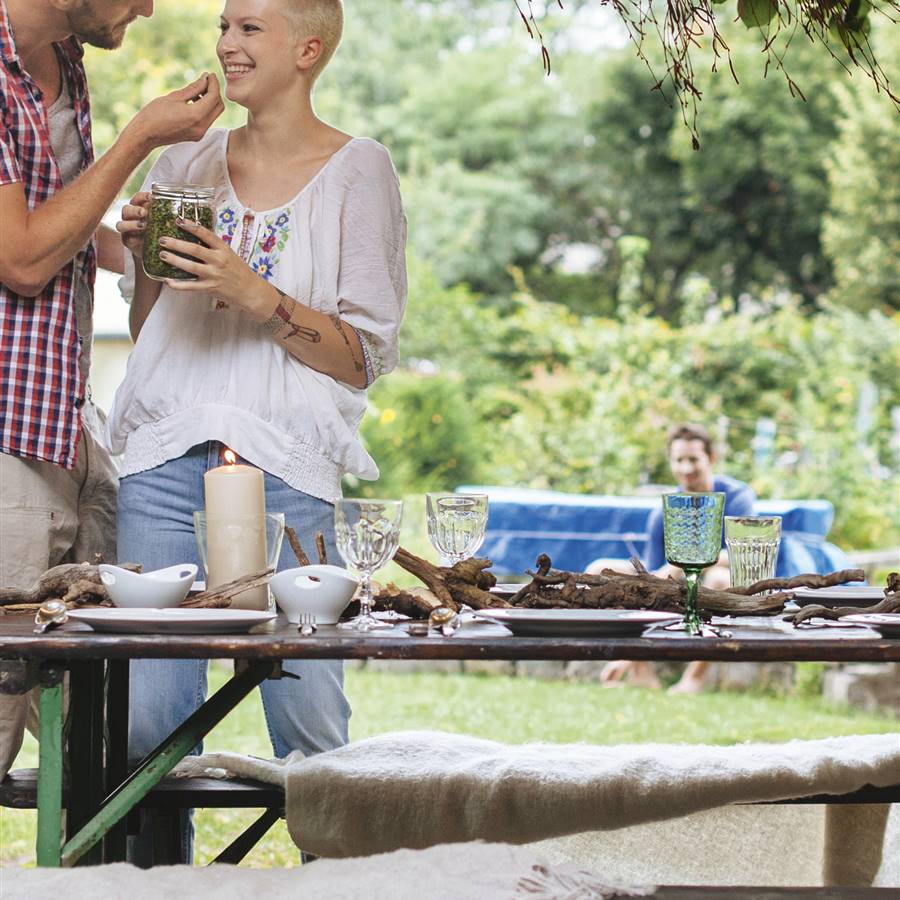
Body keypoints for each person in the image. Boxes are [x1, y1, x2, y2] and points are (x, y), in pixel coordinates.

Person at [109, 0, 406, 863]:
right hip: (162, 461)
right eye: (225, 26)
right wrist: (142, 255)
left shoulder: (360, 172)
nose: (226, 44)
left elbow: (359, 358)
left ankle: (335, 880)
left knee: (308, 713)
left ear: (307, 49)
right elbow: (150, 332)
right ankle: (147, 886)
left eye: (250, 29)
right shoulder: (187, 160)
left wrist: (260, 295)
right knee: (147, 728)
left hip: (292, 463)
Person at [0, 0, 223, 781]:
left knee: (95, 737)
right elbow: (21, 258)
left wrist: (129, 240)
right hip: (5, 438)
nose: (149, 6)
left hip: (65, 421)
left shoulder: (66, 64)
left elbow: (55, 224)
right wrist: (139, 140)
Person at [589, 423, 756, 693]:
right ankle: (638, 668)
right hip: (675, 581)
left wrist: (690, 561)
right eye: (679, 460)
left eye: (693, 459)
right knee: (601, 570)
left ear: (711, 459)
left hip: (720, 582)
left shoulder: (736, 498)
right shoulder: (663, 512)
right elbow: (654, 574)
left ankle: (695, 677)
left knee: (717, 577)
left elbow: (744, 553)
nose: (686, 468)